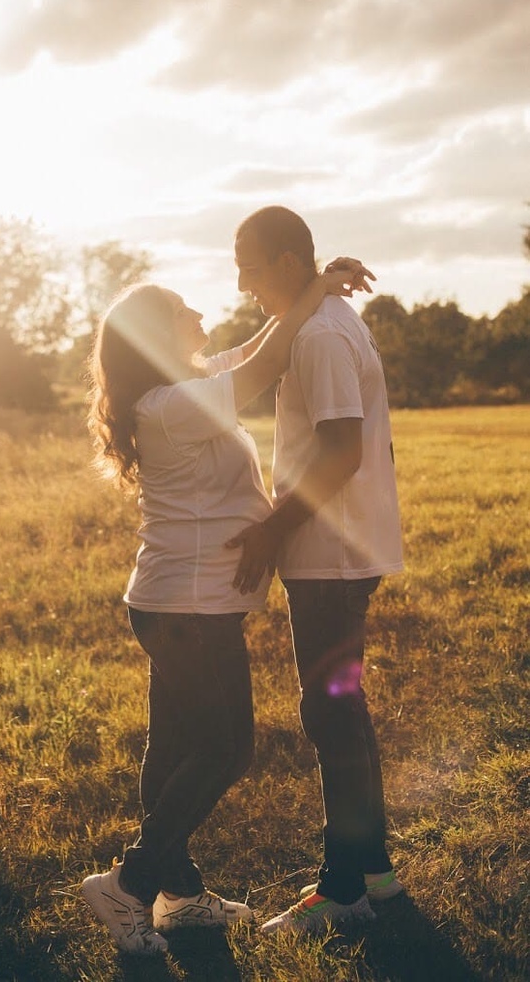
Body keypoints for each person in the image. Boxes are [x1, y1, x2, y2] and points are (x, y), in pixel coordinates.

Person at [81, 257, 374, 955]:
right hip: (189, 609)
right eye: (186, 310)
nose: (202, 317)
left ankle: (178, 896)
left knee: (178, 745)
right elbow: (264, 363)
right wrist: (313, 289)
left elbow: (248, 351)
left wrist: (305, 294)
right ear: (157, 334)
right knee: (225, 748)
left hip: (171, 603)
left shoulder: (176, 389)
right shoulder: (174, 405)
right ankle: (129, 882)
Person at [227, 205, 404, 936]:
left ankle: (340, 891)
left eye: (249, 263)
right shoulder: (320, 319)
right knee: (344, 709)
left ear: (288, 260)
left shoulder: (324, 334)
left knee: (329, 714)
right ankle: (374, 875)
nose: (240, 280)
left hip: (328, 555)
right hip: (341, 548)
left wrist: (271, 531)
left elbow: (338, 448)